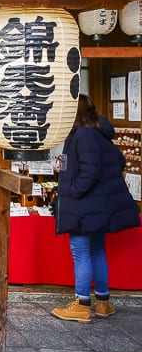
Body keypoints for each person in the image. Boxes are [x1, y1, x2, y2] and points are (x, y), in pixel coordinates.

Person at [51, 94, 140, 323]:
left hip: (85, 205)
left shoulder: (82, 135)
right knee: (97, 250)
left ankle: (82, 304)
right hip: (99, 205)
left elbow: (89, 171)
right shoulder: (100, 134)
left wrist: (74, 189)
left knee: (80, 252)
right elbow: (118, 162)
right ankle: (103, 302)